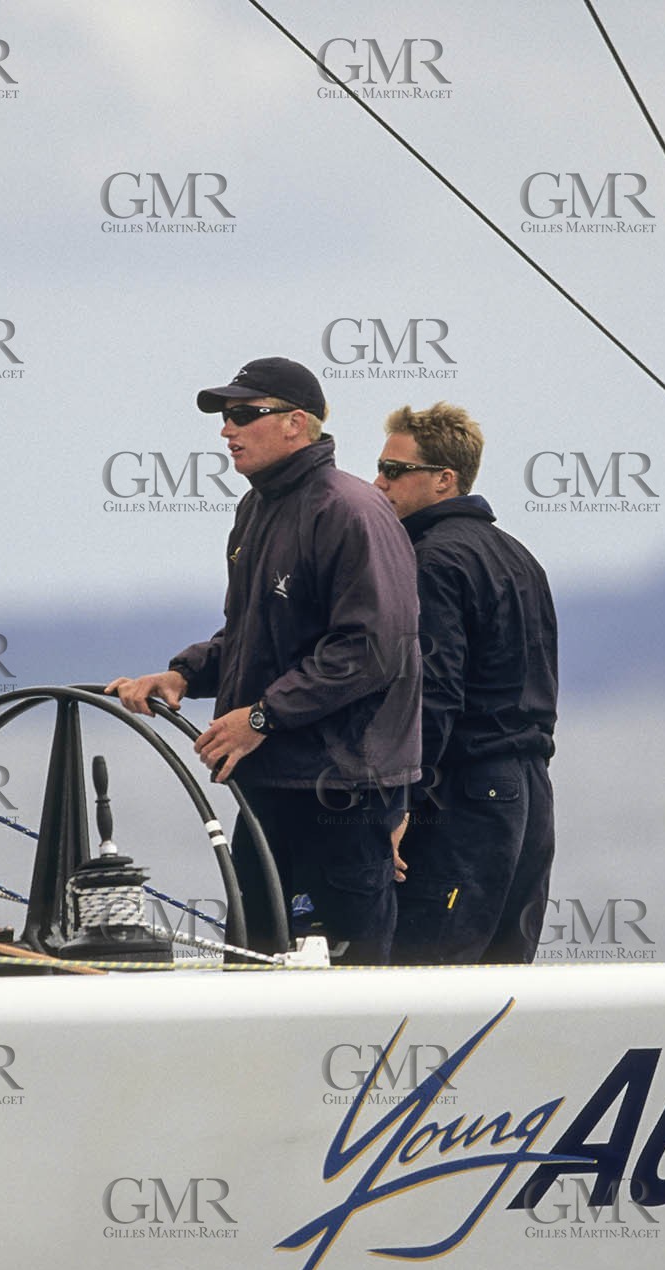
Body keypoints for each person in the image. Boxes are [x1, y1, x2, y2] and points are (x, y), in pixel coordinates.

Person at [107, 356, 421, 964]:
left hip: (342, 795)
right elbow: (253, 636)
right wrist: (184, 675)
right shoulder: (257, 509)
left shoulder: (349, 509)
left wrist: (258, 719)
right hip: (272, 789)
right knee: (251, 969)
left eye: (245, 415)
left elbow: (370, 650)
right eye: (226, 417)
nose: (228, 430)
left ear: (296, 424)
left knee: (344, 988)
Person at [374, 401, 557, 964]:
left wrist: (400, 804)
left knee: (428, 974)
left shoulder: (431, 560)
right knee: (502, 978)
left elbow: (432, 695)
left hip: (460, 797)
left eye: (393, 471)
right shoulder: (521, 557)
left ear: (444, 480)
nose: (377, 483)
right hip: (530, 796)